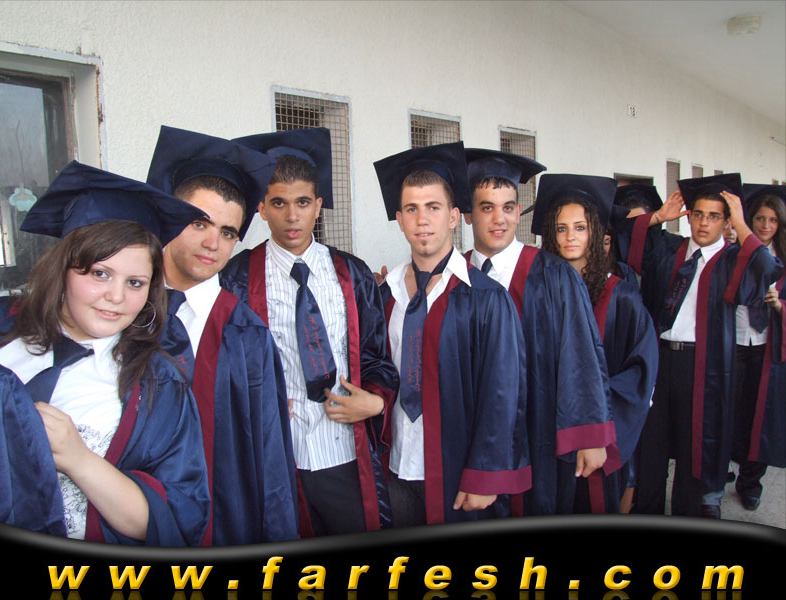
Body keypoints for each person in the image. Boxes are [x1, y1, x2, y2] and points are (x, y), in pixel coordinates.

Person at [0, 161, 211, 545]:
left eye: (135, 282)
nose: (116, 297)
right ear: (63, 269)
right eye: (99, 274)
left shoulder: (158, 384)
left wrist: (78, 459)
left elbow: (178, 518)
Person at [220, 127, 399, 537]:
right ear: (261, 208)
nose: (292, 216)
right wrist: (252, 403)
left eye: (302, 202)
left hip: (345, 451)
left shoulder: (352, 274)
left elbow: (375, 357)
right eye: (278, 203)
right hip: (278, 456)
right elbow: (224, 365)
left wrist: (374, 401)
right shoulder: (236, 279)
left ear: (318, 206)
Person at [146, 125, 299, 545]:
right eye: (199, 223)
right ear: (168, 217)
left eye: (228, 232)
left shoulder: (247, 334)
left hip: (224, 526)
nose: (213, 243)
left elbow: (271, 460)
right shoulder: (123, 312)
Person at [374, 142, 531, 526]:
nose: (422, 219)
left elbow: (502, 391)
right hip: (397, 466)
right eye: (412, 209)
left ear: (454, 216)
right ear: (399, 219)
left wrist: (485, 473)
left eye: (433, 207)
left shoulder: (486, 298)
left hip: (457, 471)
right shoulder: (386, 295)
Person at [611, 173, 782, 518]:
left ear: (726, 221)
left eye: (714, 216)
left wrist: (742, 224)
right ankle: (647, 514)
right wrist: (658, 217)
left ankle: (688, 514)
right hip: (659, 362)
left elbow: (768, 268)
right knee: (652, 445)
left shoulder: (732, 260)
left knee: (694, 450)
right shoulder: (669, 250)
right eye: (698, 214)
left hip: (705, 367)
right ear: (689, 217)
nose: (704, 223)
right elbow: (622, 238)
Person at [463, 149, 616, 516]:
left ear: (519, 211)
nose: (499, 219)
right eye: (487, 207)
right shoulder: (455, 275)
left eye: (508, 207)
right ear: (467, 214)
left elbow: (581, 356)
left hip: (538, 433)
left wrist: (590, 434)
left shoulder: (555, 276)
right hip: (471, 433)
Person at [535, 174, 658, 513]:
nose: (570, 237)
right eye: (561, 228)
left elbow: (641, 370)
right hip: (545, 433)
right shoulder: (538, 291)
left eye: (580, 227)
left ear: (595, 232)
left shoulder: (620, 296)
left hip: (597, 434)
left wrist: (597, 426)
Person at [729, 184, 786, 510]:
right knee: (727, 411)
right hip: (733, 341)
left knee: (759, 417)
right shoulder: (733, 253)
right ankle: (718, 471)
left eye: (773, 220)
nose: (765, 225)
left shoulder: (783, 260)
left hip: (767, 348)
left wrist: (780, 306)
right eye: (760, 219)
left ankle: (750, 482)